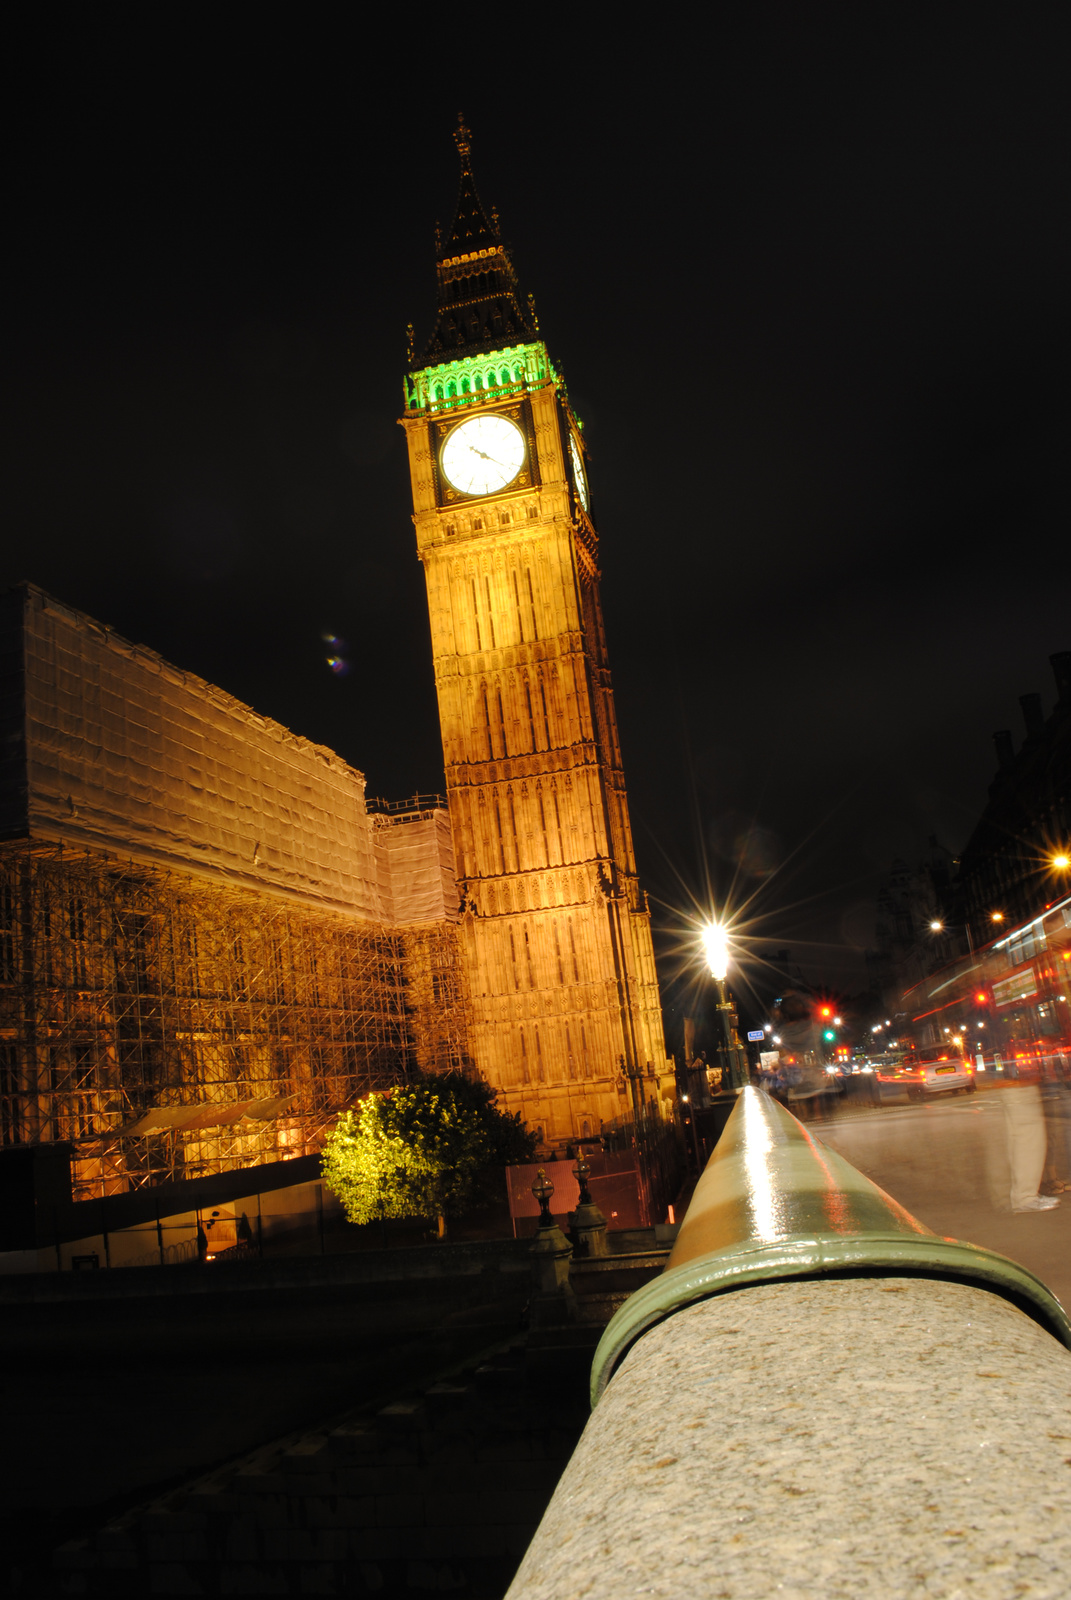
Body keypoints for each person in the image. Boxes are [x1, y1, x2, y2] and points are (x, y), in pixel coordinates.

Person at [1002, 1075, 1060, 1212]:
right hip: (1019, 1083)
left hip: (1016, 1083)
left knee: (1023, 1138)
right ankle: (1025, 1197)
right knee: (1028, 1139)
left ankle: (1023, 1195)